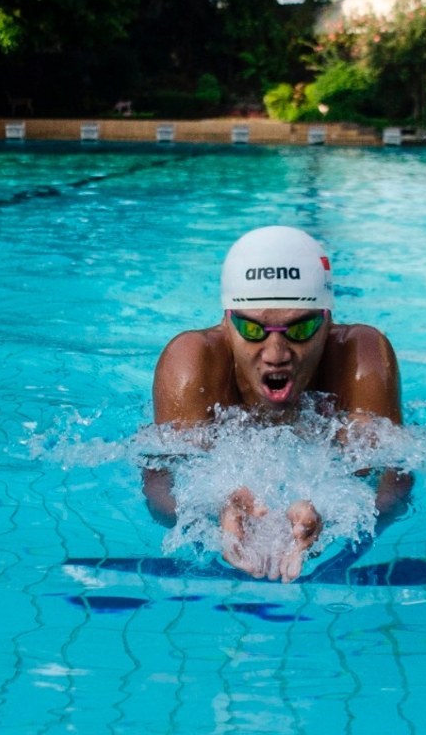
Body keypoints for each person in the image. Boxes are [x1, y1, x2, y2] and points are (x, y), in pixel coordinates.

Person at [147, 225, 411, 581]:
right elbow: (158, 483)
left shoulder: (361, 359)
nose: (276, 355)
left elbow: (394, 478)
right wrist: (211, 512)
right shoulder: (193, 364)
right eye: (253, 330)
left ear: (326, 322)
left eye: (299, 330)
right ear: (227, 322)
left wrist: (333, 517)